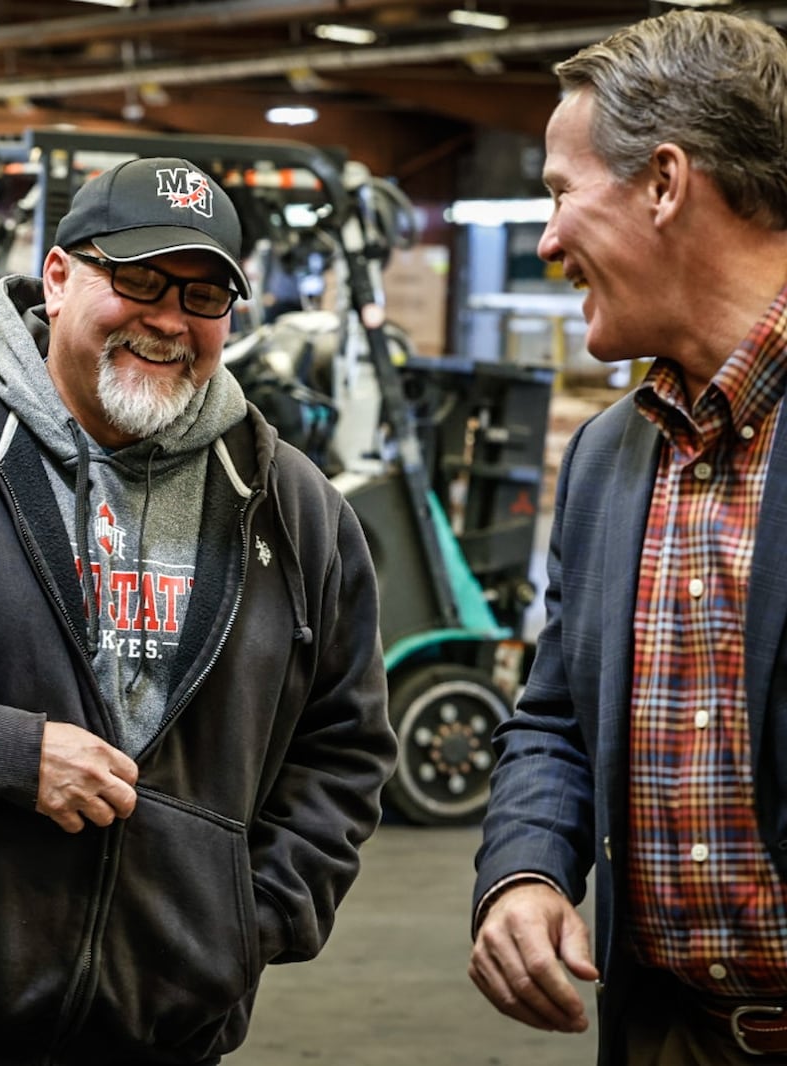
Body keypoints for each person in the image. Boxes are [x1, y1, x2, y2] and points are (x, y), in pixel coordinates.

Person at [0, 155, 397, 1065]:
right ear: (57, 277)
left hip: (161, 1034)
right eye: (138, 279)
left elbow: (345, 742)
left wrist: (250, 919)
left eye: (204, 296)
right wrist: (7, 753)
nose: (168, 319)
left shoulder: (296, 507)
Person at [470, 10, 787, 1065]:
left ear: (662, 183)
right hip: (669, 1037)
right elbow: (554, 714)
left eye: (561, 193)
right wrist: (523, 869)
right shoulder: (611, 457)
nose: (548, 238)